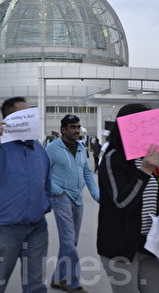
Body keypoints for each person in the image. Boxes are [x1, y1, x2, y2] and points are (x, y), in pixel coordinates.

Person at [0, 97, 51, 293]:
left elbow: (47, 181)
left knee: (36, 284)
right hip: (4, 229)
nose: (31, 118)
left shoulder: (38, 149)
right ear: (10, 119)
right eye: (24, 114)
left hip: (36, 228)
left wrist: (45, 204)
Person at [97, 104, 159, 292]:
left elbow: (144, 200)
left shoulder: (145, 159)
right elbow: (123, 203)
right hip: (120, 247)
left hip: (147, 244)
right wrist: (145, 171)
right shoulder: (113, 158)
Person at [46, 114, 99, 292]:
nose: (77, 130)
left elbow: (86, 172)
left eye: (78, 127)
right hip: (61, 197)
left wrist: (96, 194)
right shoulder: (52, 148)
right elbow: (43, 172)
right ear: (63, 129)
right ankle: (72, 282)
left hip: (78, 197)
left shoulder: (82, 147)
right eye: (72, 127)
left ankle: (57, 278)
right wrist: (57, 190)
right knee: (68, 240)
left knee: (71, 241)